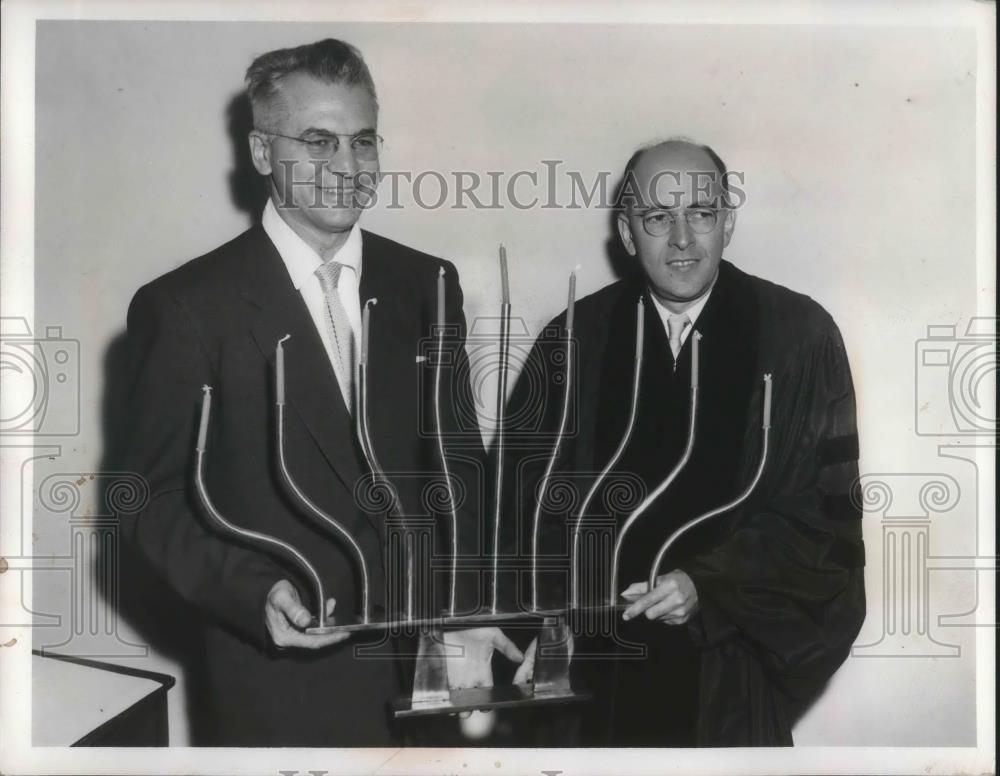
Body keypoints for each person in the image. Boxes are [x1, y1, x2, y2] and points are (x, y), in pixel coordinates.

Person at [116, 38, 519, 747]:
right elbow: (148, 501)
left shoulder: (429, 284)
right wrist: (253, 591)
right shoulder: (186, 307)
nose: (347, 167)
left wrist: (472, 611)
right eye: (319, 141)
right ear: (263, 151)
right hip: (283, 687)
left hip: (432, 677)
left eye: (362, 142)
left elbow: (460, 472)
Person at [503, 139, 866, 746]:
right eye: (657, 217)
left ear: (728, 222)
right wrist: (549, 620)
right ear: (626, 232)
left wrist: (708, 584)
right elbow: (520, 509)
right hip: (594, 670)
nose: (681, 238)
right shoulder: (574, 339)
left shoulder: (799, 338)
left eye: (700, 213)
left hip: (727, 673)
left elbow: (824, 524)